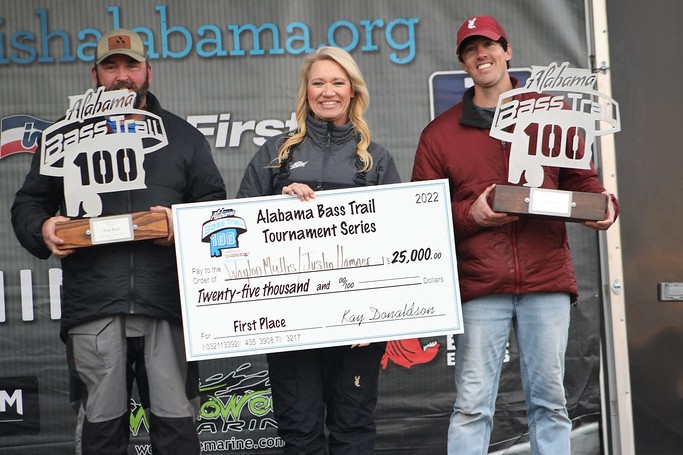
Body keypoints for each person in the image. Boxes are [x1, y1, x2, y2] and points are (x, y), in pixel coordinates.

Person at [11, 29, 226, 455]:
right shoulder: (61, 137)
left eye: (131, 65)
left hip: (165, 303)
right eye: (111, 66)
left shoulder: (183, 136)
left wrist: (179, 224)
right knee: (102, 435)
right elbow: (28, 203)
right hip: (95, 305)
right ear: (95, 75)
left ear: (148, 71)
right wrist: (44, 228)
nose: (122, 75)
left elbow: (214, 207)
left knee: (176, 431)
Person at [410, 16, 618, 455]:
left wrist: (603, 204)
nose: (480, 54)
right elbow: (422, 217)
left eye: (488, 45)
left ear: (507, 51)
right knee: (472, 406)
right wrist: (473, 215)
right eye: (470, 49)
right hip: (480, 284)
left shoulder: (551, 117)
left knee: (551, 403)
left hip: (546, 280)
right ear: (463, 64)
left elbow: (582, 183)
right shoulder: (439, 135)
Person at [237, 46, 400, 454]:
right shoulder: (277, 154)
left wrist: (377, 316)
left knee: (353, 430)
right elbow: (238, 230)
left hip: (357, 325)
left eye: (338, 82)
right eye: (318, 83)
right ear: (306, 91)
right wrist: (275, 205)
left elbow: (397, 243)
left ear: (353, 90)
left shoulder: (375, 159)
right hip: (290, 324)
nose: (328, 92)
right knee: (300, 432)